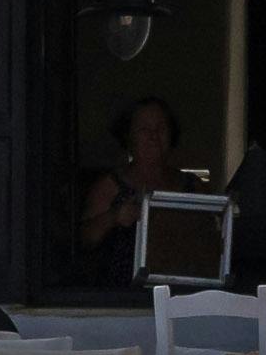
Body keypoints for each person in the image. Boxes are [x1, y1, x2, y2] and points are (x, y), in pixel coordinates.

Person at [75, 97, 191, 287]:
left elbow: (212, 244)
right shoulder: (110, 185)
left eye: (161, 128)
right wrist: (114, 216)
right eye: (144, 129)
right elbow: (84, 239)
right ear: (129, 137)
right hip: (124, 300)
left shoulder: (192, 186)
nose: (153, 136)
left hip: (181, 296)